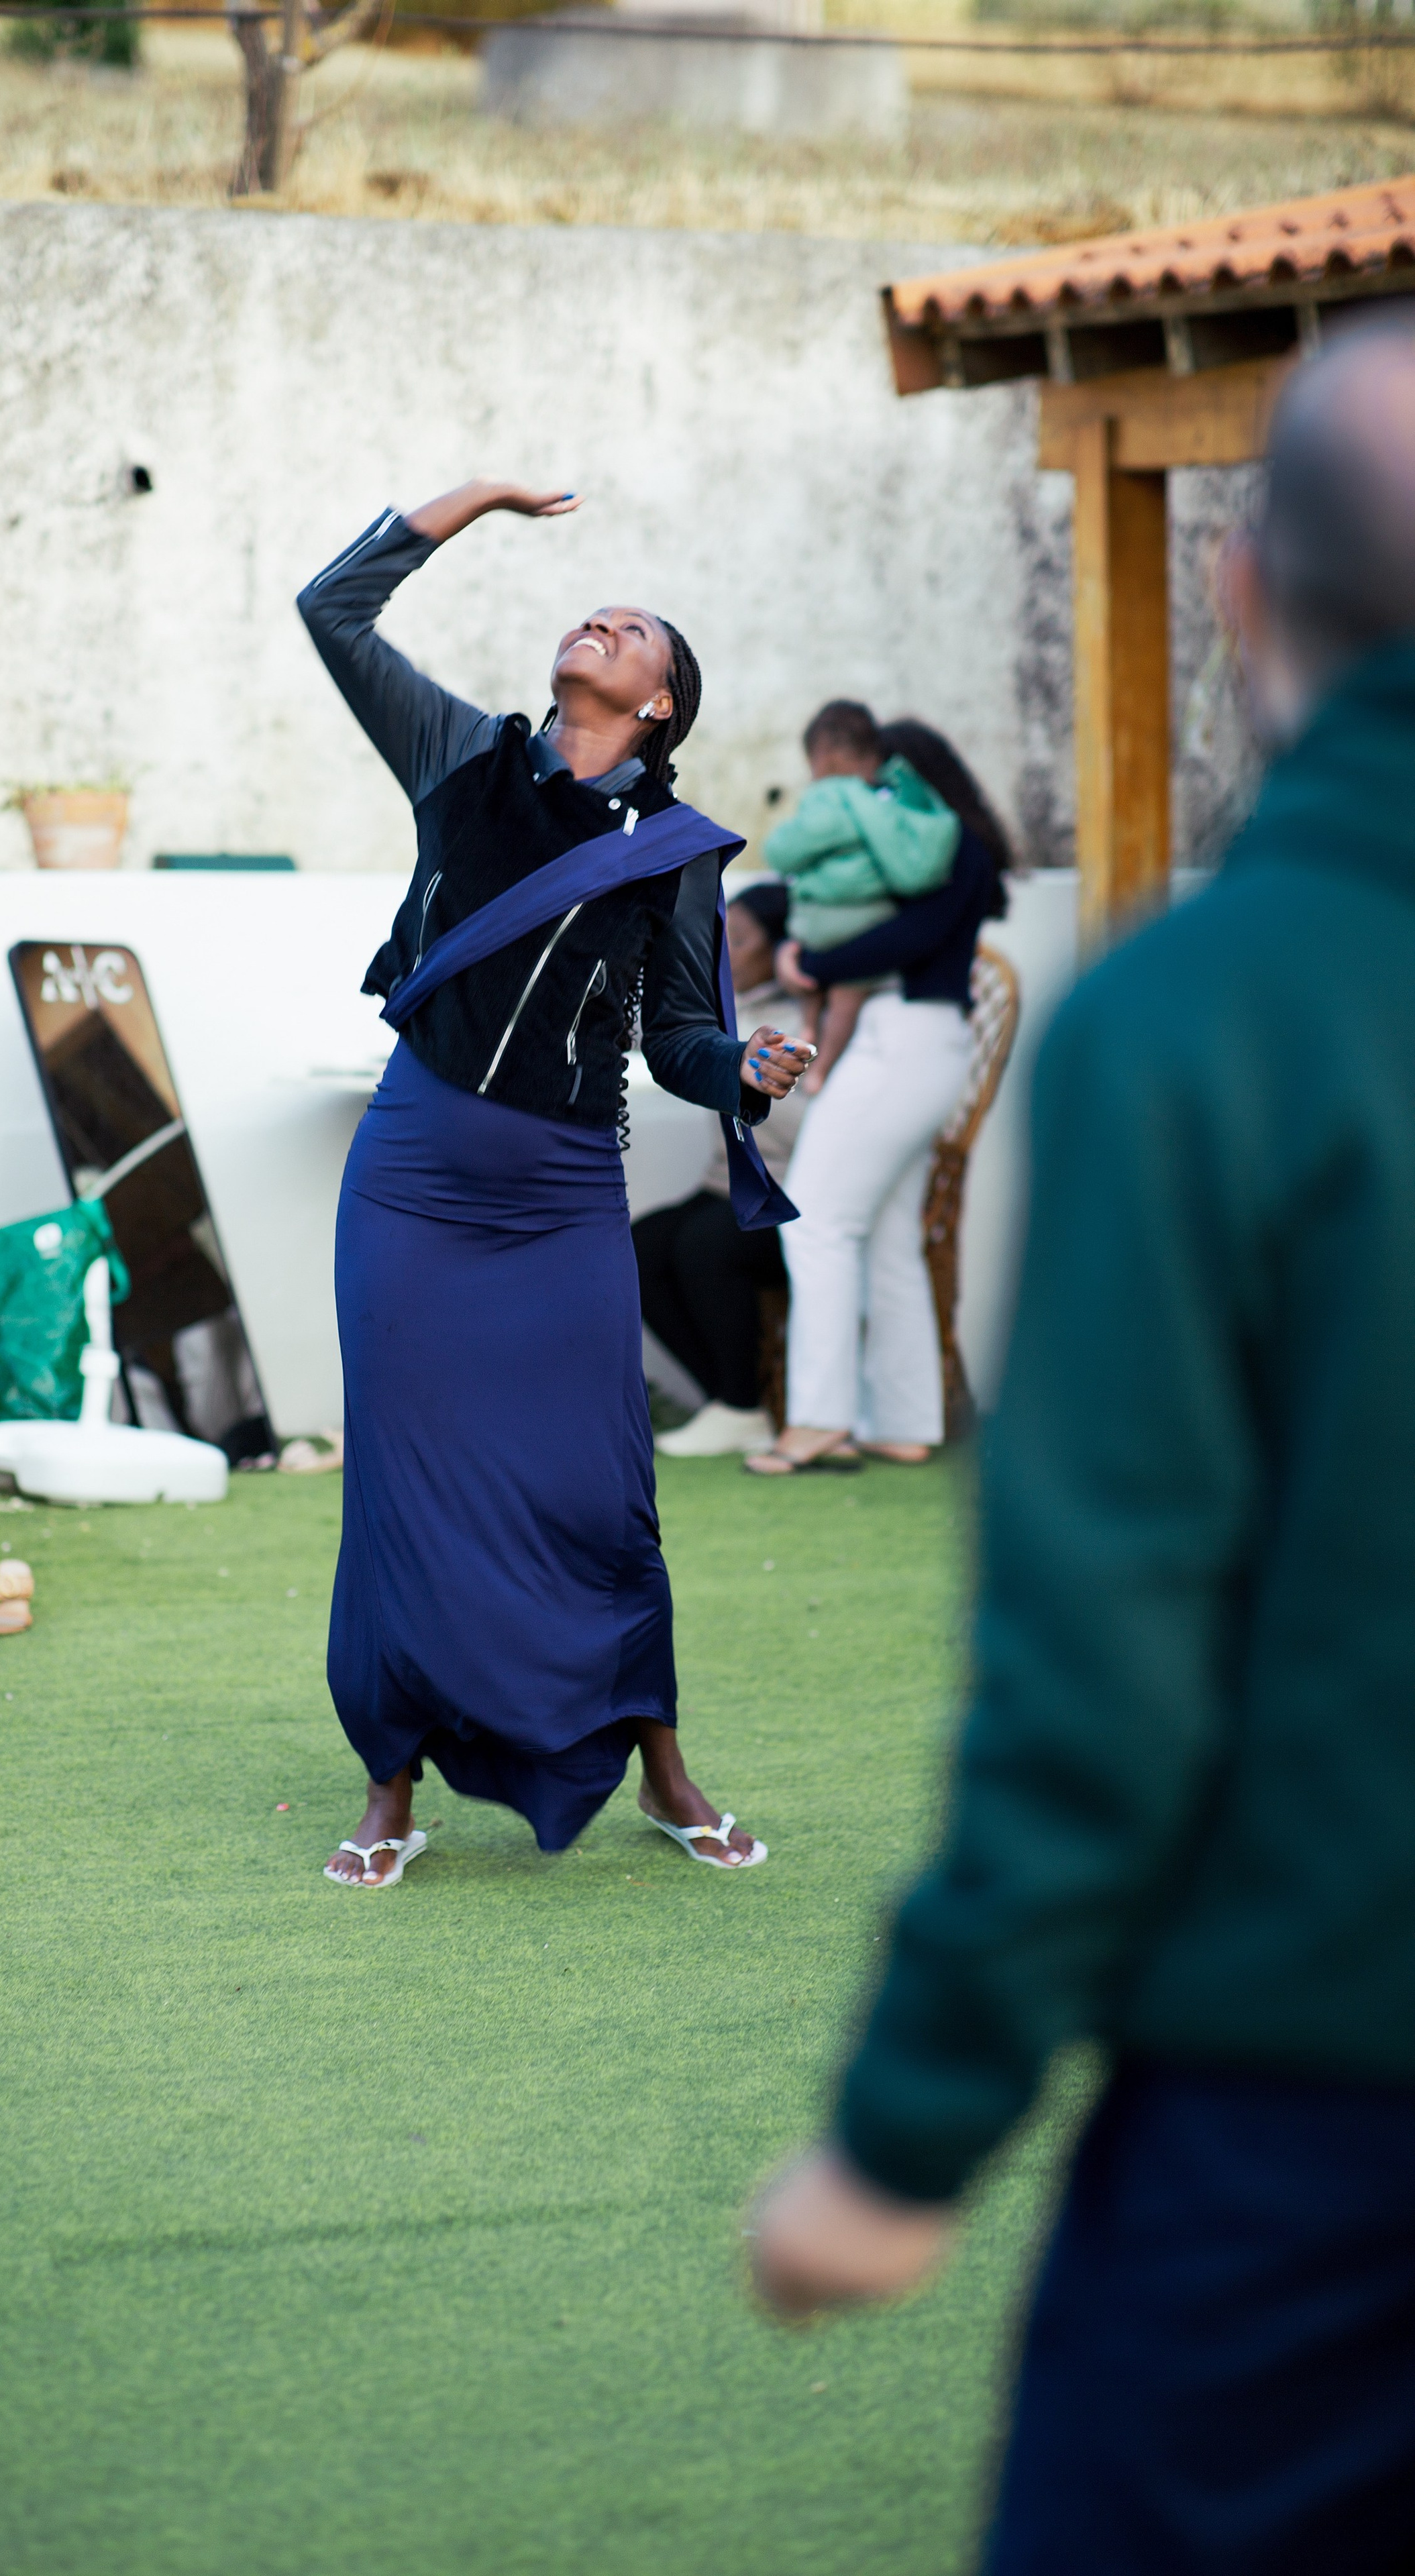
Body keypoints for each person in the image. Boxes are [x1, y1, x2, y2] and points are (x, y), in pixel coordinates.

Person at [751, 323, 1415, 2576]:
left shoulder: (1205, 1018)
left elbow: (1105, 1674)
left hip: (1313, 2141)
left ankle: (835, 1425)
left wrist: (906, 2134)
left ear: (1237, 590)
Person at [297, 480, 811, 1888]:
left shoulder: (677, 854)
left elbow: (678, 1042)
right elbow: (329, 610)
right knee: (401, 1487)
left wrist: (746, 1073)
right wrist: (478, 502)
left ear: (659, 705)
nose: (601, 620)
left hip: (557, 1203)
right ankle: (389, 1788)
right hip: (410, 1182)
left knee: (600, 1492)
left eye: (633, 629)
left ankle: (660, 1768)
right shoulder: (464, 761)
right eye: (596, 612)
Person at [745, 720, 1010, 1476]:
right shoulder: (950, 841)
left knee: (815, 1220)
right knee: (888, 1234)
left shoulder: (946, 841)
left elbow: (909, 941)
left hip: (903, 1042)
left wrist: (811, 960)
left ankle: (818, 1421)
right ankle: (902, 1421)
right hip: (916, 1044)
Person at [633, 885, 808, 1458]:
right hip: (725, 1187)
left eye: (740, 941)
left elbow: (792, 1129)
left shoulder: (801, 1020)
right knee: (642, 1244)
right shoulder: (719, 1008)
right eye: (720, 939)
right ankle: (729, 1402)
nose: (724, 954)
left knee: (706, 1246)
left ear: (783, 951)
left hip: (794, 1196)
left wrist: (728, 1052)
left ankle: (740, 1405)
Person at [765, 700, 961, 1091]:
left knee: (821, 996)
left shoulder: (828, 798)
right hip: (863, 919)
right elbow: (903, 869)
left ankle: (809, 1033)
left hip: (819, 923)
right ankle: (821, 1069)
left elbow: (786, 852)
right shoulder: (885, 806)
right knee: (846, 1002)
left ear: (825, 757)